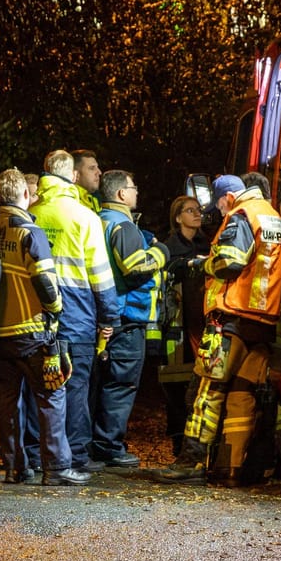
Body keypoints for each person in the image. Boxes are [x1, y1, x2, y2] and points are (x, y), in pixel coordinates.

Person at [158, 172, 281, 483]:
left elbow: (229, 261)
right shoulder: (273, 216)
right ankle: (233, 467)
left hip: (230, 319)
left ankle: (191, 461)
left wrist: (200, 264)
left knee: (205, 392)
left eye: (219, 205)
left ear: (228, 198)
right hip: (263, 320)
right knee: (243, 393)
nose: (220, 212)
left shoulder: (241, 215)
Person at [0, 168, 89, 486]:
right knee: (51, 394)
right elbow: (44, 278)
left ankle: (15, 466)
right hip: (32, 329)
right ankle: (57, 468)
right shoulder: (29, 231)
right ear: (26, 196)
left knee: (7, 400)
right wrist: (56, 309)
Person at [32, 149, 119, 471]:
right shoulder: (85, 217)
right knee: (75, 389)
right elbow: (101, 274)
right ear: (71, 176)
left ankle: (37, 456)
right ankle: (76, 457)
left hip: (35, 316)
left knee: (39, 389)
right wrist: (109, 317)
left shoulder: (31, 212)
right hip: (77, 316)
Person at [90, 169, 167, 470]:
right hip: (125, 316)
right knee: (120, 385)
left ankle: (94, 442)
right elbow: (136, 268)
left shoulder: (97, 221)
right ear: (122, 194)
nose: (137, 193)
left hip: (101, 315)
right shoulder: (123, 226)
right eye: (134, 188)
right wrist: (161, 251)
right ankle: (108, 446)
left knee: (98, 383)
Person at [157, 193, 213, 455]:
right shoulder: (170, 248)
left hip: (202, 321)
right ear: (178, 217)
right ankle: (179, 440)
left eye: (198, 209)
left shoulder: (208, 243)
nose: (197, 214)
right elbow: (168, 273)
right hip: (177, 325)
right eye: (190, 210)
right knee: (176, 382)